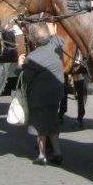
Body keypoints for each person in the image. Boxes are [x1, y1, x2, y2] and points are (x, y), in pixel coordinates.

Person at [18, 22, 65, 166]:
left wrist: (20, 65)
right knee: (53, 123)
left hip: (38, 98)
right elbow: (55, 35)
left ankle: (42, 155)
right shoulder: (58, 45)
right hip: (56, 94)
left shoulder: (32, 58)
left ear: (33, 40)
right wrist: (50, 27)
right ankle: (57, 153)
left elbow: (25, 78)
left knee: (40, 128)